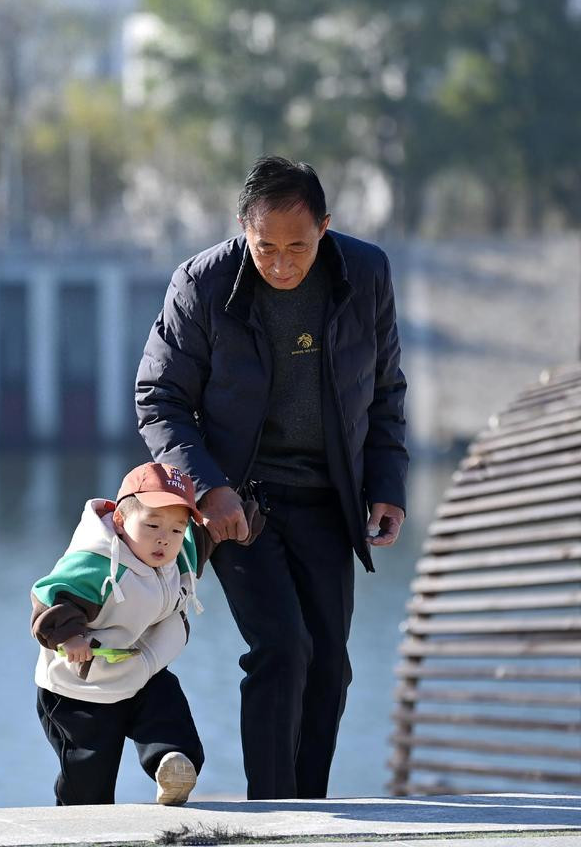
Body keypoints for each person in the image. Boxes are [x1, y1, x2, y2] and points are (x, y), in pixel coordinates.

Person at [135, 156, 408, 799]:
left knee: (330, 665)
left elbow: (385, 390)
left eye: (298, 247)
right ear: (243, 229)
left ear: (325, 228)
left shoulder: (366, 273)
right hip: (241, 504)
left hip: (328, 498)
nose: (282, 265)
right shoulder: (201, 284)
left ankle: (308, 810)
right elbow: (160, 397)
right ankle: (273, 811)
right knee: (282, 649)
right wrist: (210, 488)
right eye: (266, 248)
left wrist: (387, 485)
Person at [31, 461, 206, 806]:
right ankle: (78, 820)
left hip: (139, 669)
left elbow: (208, 534)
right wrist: (70, 637)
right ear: (121, 521)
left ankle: (172, 764)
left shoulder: (179, 554)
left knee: (167, 706)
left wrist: (242, 517)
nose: (164, 538)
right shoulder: (96, 562)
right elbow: (50, 596)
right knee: (89, 778)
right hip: (82, 686)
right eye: (152, 525)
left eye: (176, 529)